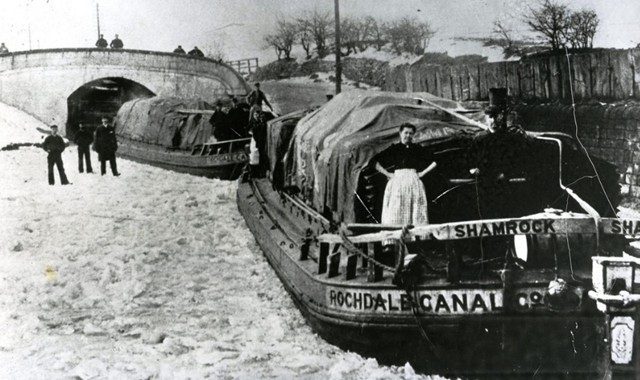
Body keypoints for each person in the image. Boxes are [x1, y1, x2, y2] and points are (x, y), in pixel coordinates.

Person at [374, 123, 437, 226]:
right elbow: (374, 161)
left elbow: (435, 161)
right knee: (396, 211)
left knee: (416, 211)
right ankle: (396, 237)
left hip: (414, 181)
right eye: (406, 133)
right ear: (400, 133)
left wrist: (422, 173)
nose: (408, 135)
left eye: (411, 133)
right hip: (398, 182)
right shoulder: (394, 148)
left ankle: (416, 239)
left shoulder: (417, 149)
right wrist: (387, 174)